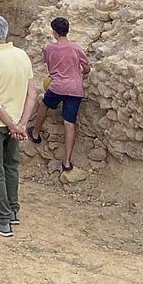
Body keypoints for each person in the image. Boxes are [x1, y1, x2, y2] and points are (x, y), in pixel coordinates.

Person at [0, 15, 36, 237]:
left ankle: (1, 219)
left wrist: (12, 124)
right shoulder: (22, 55)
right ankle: (12, 209)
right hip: (15, 121)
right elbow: (32, 94)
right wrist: (21, 124)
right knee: (11, 165)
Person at [29, 17, 91, 171]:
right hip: (75, 89)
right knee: (69, 123)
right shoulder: (76, 48)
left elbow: (49, 67)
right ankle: (67, 162)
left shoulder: (49, 48)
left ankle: (35, 133)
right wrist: (82, 71)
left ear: (54, 32)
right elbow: (87, 67)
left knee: (44, 104)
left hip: (57, 87)